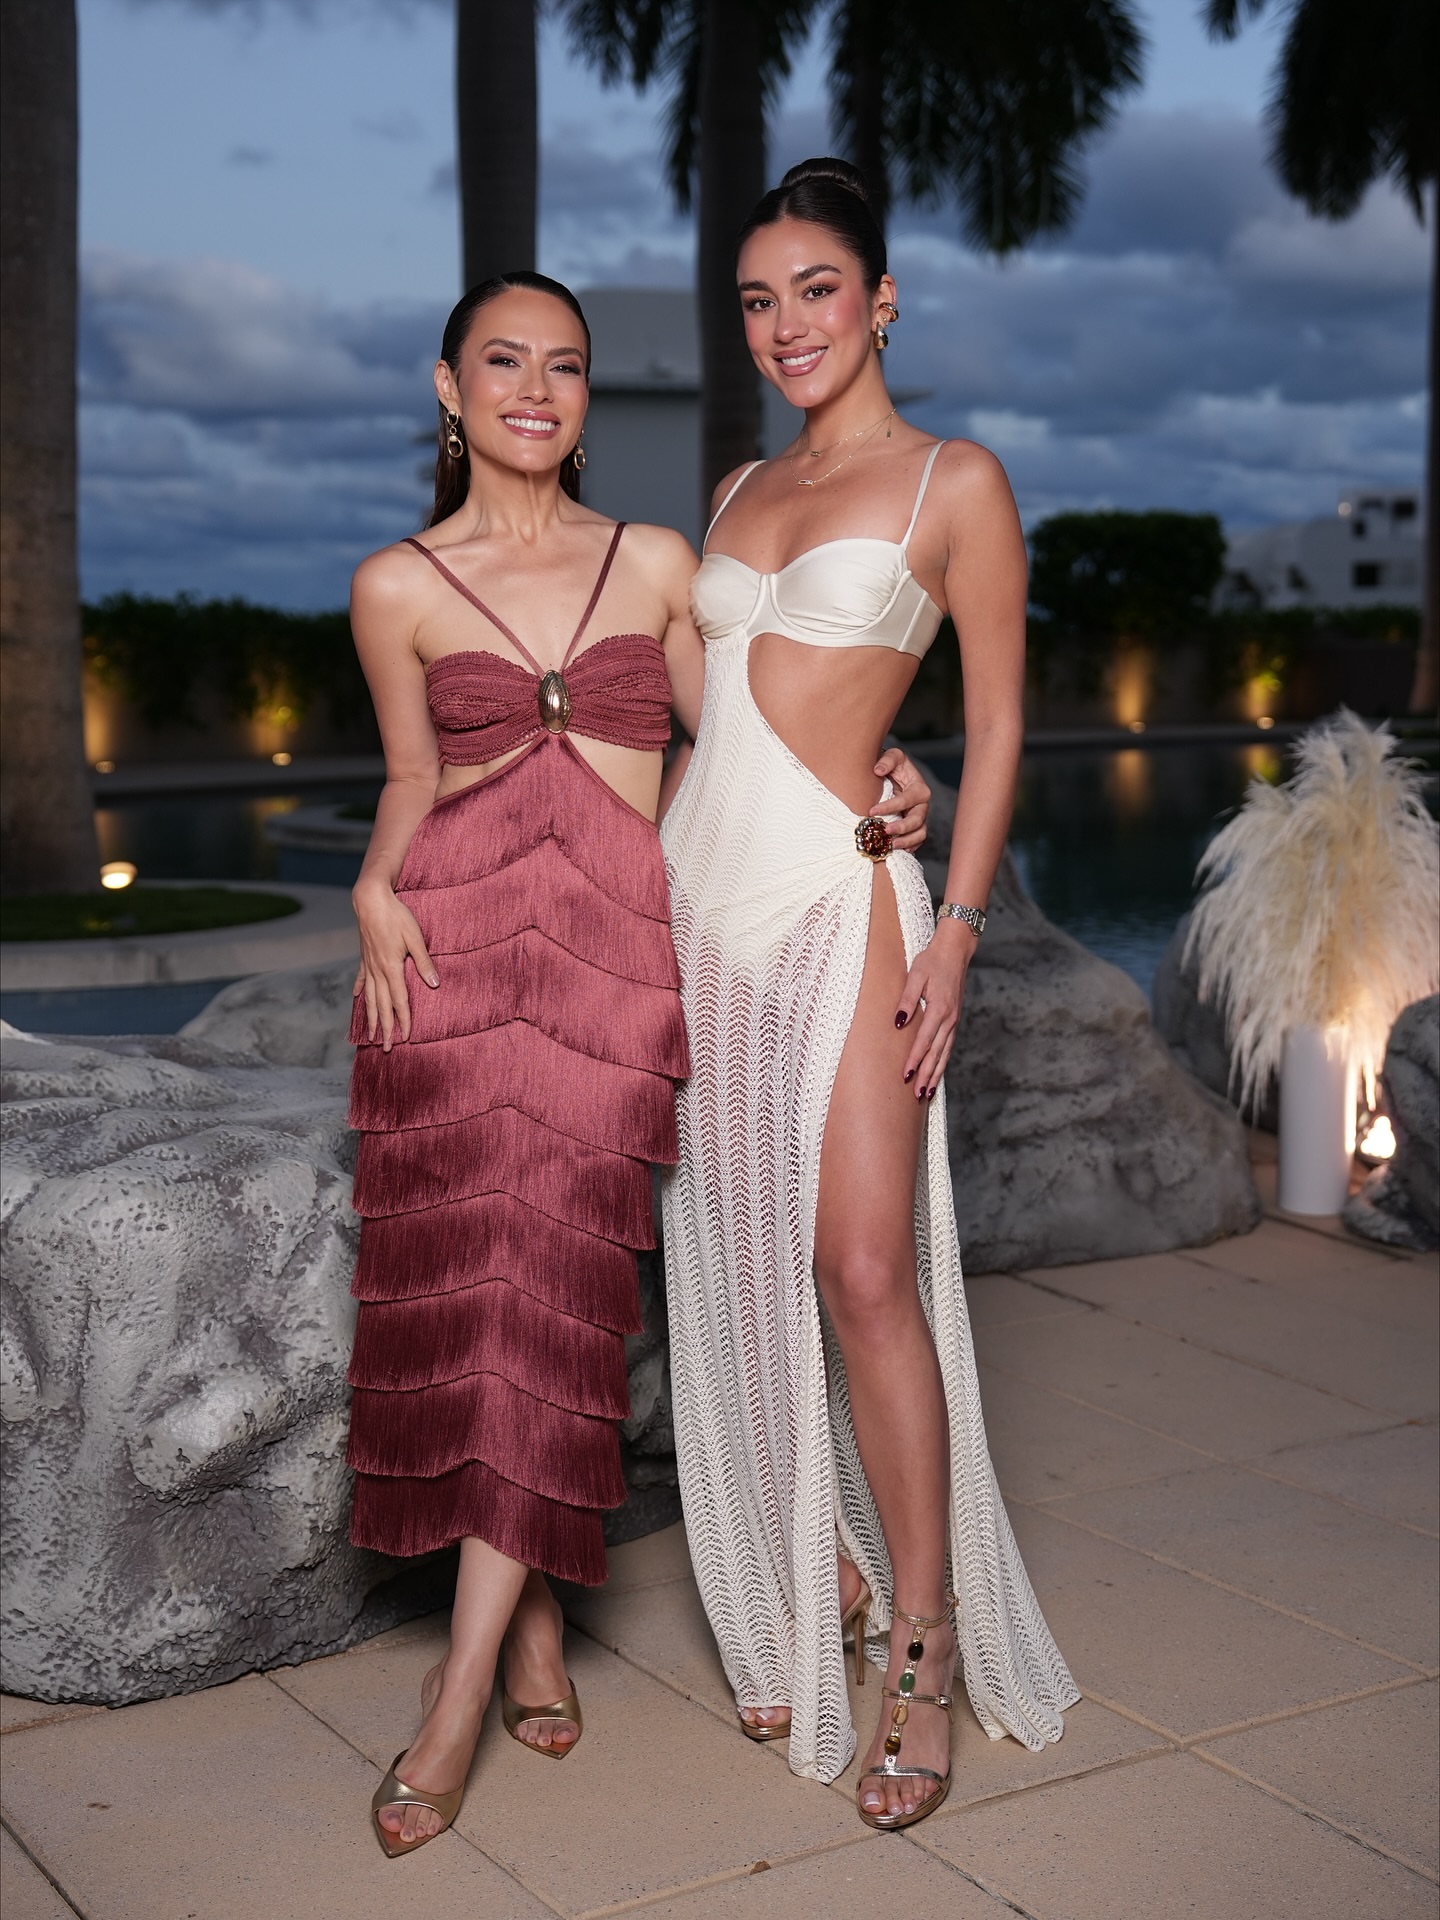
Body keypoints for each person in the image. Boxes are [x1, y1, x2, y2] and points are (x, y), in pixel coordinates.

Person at [342, 269, 932, 1856]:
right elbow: (409, 776)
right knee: (474, 1299)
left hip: (616, 963)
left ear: (588, 397)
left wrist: (891, 769)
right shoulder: (395, 584)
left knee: (556, 1287)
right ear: (451, 388)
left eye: (567, 366)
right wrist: (373, 886)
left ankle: (457, 1692)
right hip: (451, 961)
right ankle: (526, 1630)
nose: (537, 390)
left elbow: (749, 746)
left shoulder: (656, 561)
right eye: (504, 362)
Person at [659, 158, 1079, 1832]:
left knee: (859, 1268)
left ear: (882, 300)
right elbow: (722, 715)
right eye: (758, 301)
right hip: (699, 910)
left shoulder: (955, 483)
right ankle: (807, 1564)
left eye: (817, 290)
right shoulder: (736, 487)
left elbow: (1001, 719)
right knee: (735, 1253)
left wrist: (956, 925)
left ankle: (922, 1635)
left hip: (848, 906)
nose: (787, 325)